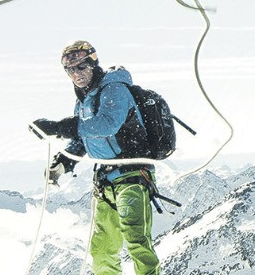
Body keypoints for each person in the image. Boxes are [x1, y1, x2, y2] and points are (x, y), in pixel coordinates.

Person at [32, 40, 161, 275]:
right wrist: (62, 164)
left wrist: (59, 127)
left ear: (93, 64)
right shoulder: (83, 102)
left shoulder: (115, 90)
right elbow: (83, 139)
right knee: (102, 248)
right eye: (70, 70)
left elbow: (107, 124)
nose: (76, 74)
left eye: (81, 67)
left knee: (136, 241)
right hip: (106, 181)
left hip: (133, 175)